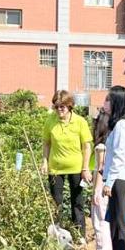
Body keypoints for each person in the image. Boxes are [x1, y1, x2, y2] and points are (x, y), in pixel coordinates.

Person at [42, 90, 93, 235]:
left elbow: (86, 146)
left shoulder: (80, 122)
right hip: (56, 168)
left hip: (76, 167)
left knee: (77, 201)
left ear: (70, 106)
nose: (59, 110)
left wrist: (85, 168)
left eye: (62, 107)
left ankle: (79, 234)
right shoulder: (50, 121)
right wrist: (44, 162)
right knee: (56, 202)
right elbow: (46, 143)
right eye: (56, 106)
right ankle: (57, 233)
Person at [102, 86, 125, 250]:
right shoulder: (119, 124)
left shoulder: (122, 125)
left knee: (119, 221)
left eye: (108, 100)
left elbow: (119, 156)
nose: (105, 103)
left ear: (117, 102)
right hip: (118, 178)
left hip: (120, 179)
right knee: (114, 221)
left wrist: (109, 182)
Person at [91, 110, 115, 250]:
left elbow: (101, 167)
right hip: (110, 186)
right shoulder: (112, 143)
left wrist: (95, 191)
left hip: (102, 187)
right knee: (107, 221)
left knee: (99, 221)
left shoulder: (101, 146)